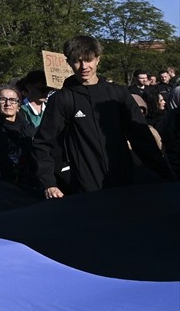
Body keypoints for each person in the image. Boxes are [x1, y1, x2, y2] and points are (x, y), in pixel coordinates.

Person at [33, 35, 175, 198]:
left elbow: (141, 137)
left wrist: (167, 175)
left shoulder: (118, 93)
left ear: (98, 59)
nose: (84, 66)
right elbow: (44, 142)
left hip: (124, 181)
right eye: (77, 61)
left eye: (89, 60)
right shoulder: (62, 99)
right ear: (69, 62)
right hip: (86, 186)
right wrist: (49, 182)